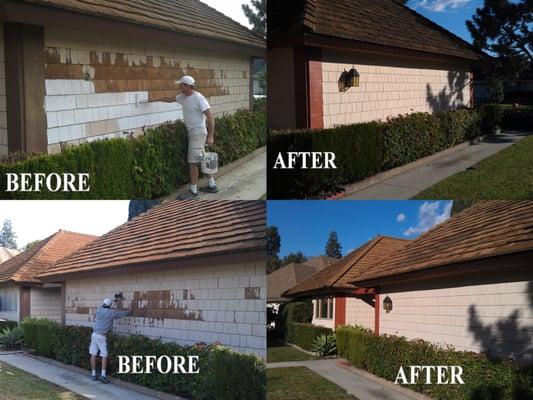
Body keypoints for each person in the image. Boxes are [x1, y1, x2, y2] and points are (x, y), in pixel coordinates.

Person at [175, 75, 218, 198]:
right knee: (203, 158)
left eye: (181, 84)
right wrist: (151, 99)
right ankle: (211, 184)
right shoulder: (183, 97)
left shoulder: (199, 98)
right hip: (193, 133)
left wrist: (211, 136)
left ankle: (193, 191)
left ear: (188, 86)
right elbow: (170, 99)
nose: (179, 87)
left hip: (198, 133)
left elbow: (210, 117)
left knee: (192, 162)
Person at [89, 298, 131, 383]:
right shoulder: (111, 313)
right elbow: (123, 313)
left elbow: (104, 305)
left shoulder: (99, 309)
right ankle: (103, 375)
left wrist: (113, 301)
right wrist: (130, 309)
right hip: (101, 336)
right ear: (110, 306)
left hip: (94, 335)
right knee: (104, 355)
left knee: (93, 354)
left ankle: (93, 374)